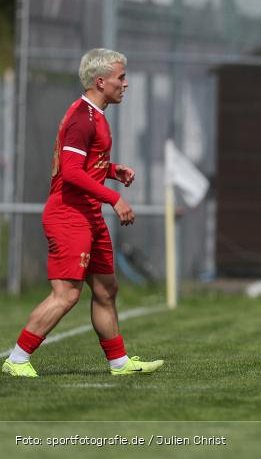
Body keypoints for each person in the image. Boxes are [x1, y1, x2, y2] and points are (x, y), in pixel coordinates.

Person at [2, 49, 164, 378]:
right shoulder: (81, 118)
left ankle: (119, 363)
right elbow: (72, 174)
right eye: (121, 78)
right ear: (100, 81)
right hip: (68, 216)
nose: (125, 84)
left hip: (89, 217)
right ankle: (17, 359)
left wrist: (112, 170)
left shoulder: (96, 117)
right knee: (67, 295)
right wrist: (114, 199)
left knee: (106, 289)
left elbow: (83, 167)